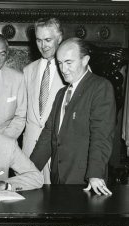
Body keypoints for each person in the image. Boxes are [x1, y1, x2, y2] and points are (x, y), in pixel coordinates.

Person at [30, 37, 116, 195]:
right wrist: (28, 170)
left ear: (85, 60)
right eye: (60, 63)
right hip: (58, 177)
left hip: (85, 180)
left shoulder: (100, 87)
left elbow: (101, 135)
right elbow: (48, 135)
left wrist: (95, 174)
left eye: (69, 62)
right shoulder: (61, 93)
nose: (63, 69)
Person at [22, 18, 65, 184]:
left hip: (57, 148)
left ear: (59, 38)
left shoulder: (70, 70)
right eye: (39, 40)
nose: (43, 46)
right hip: (30, 150)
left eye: (48, 40)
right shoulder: (28, 70)